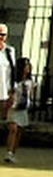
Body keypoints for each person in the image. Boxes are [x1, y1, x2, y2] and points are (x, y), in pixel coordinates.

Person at [0, 24, 16, 164]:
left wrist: (12, 92)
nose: (1, 37)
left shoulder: (9, 51)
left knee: (12, 124)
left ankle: (10, 153)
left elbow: (12, 72)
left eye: (3, 35)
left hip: (4, 92)